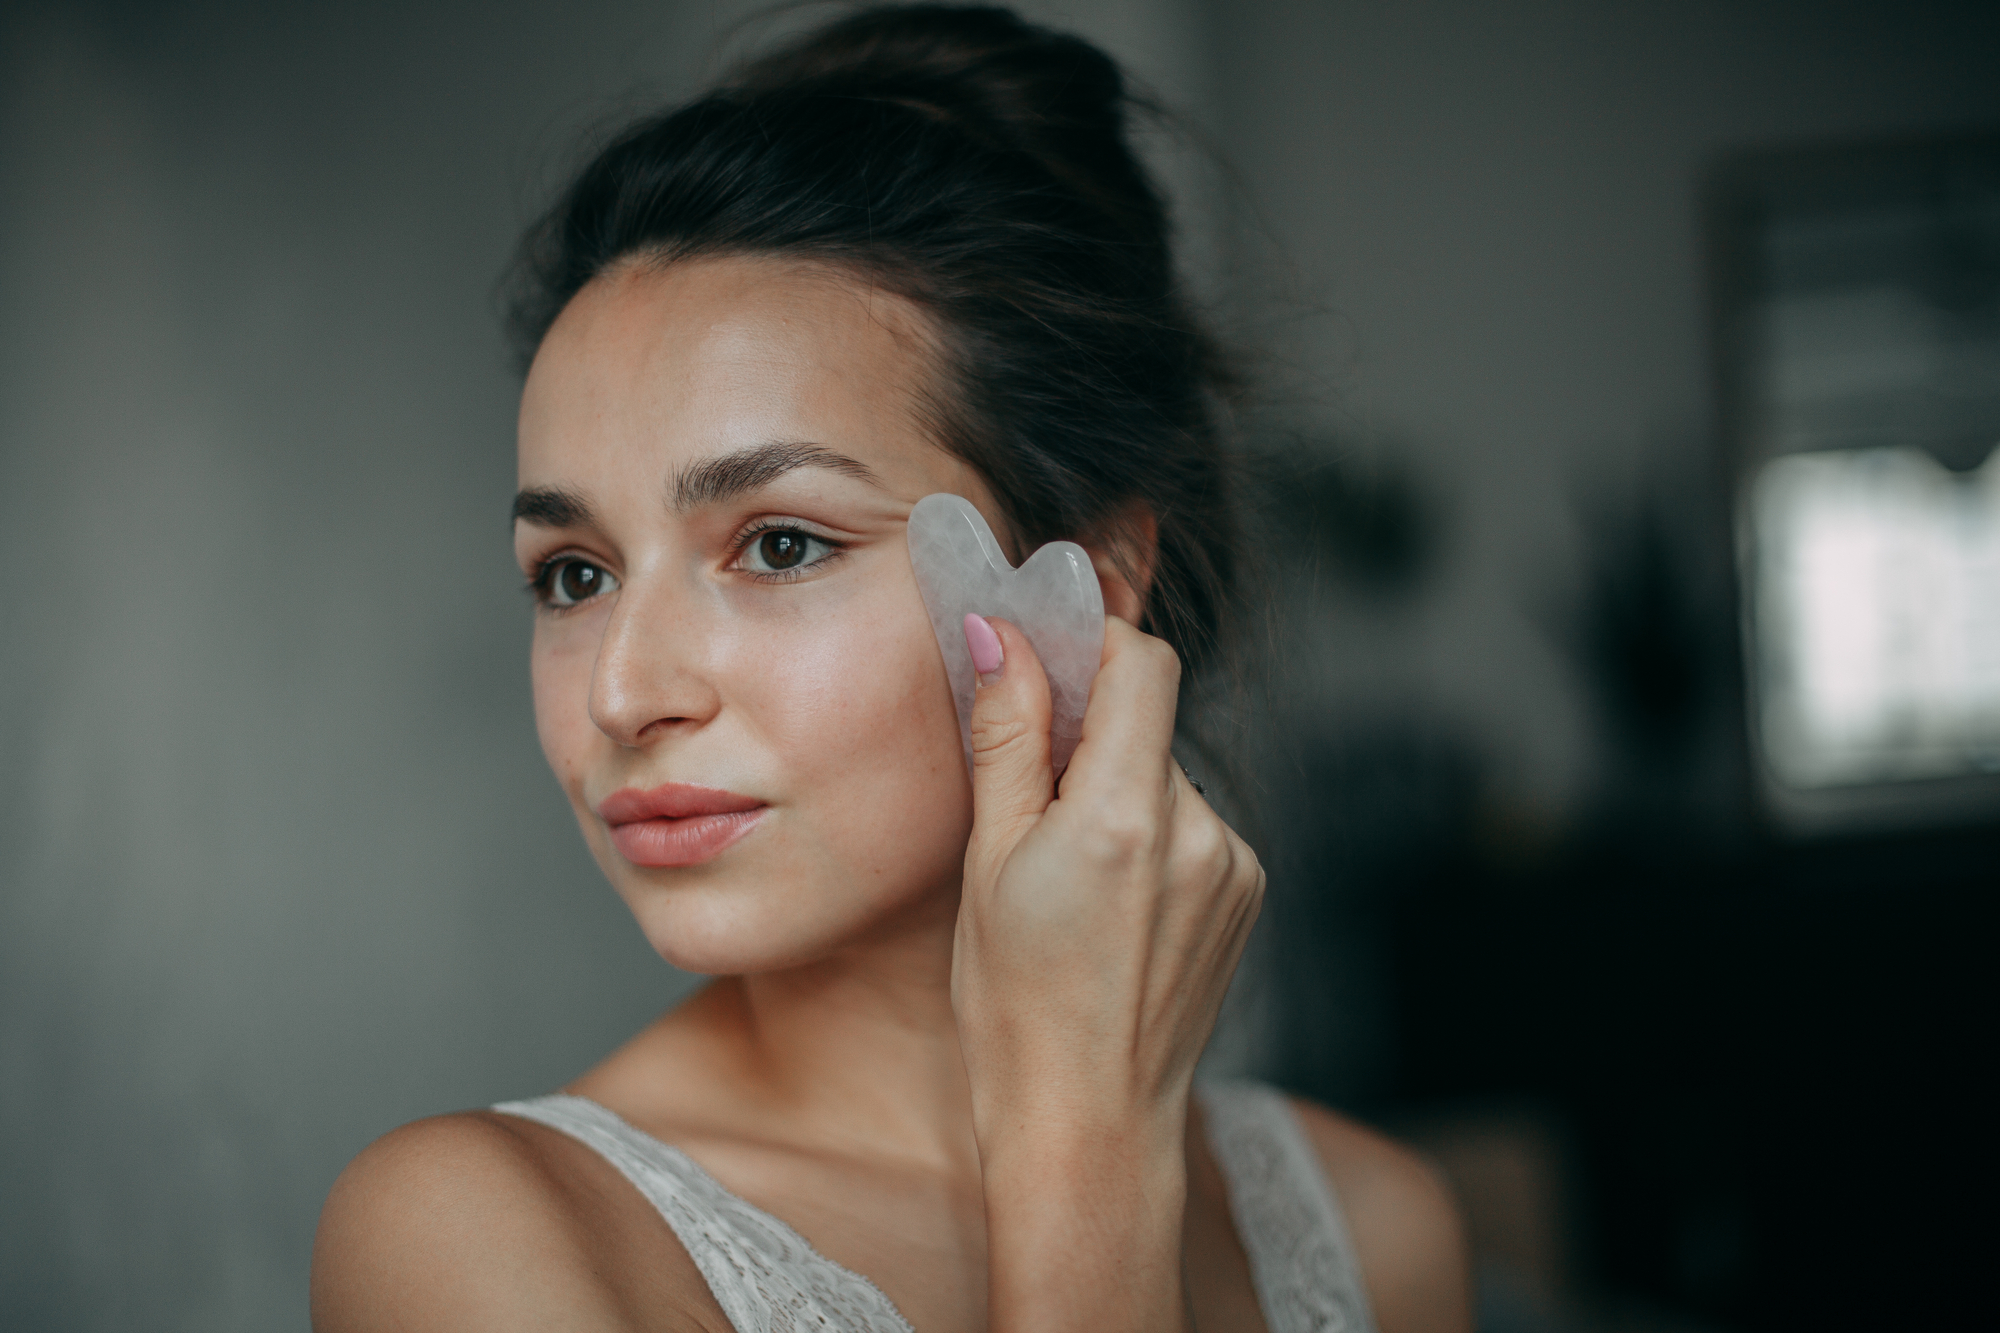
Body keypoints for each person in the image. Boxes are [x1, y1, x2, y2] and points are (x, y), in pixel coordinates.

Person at [310, 6, 1471, 1330]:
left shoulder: (1376, 1230)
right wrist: (1084, 1164)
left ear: (1089, 586)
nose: (620, 695)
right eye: (573, 573)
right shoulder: (476, 1239)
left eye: (781, 544)